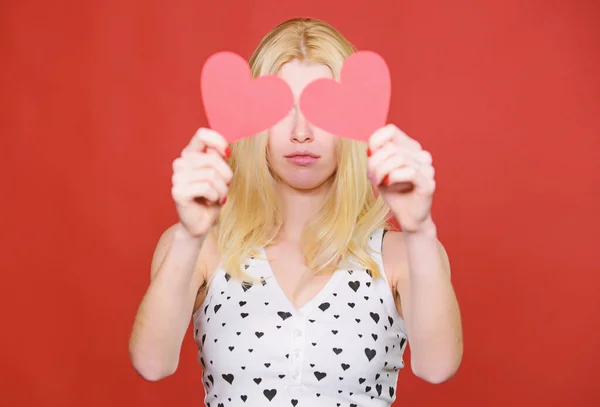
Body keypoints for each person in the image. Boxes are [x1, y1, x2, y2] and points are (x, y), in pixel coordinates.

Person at [129, 17, 463, 407]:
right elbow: (152, 364)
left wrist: (420, 228)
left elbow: (438, 367)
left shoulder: (405, 254)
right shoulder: (199, 246)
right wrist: (189, 235)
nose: (301, 132)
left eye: (321, 109)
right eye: (282, 109)